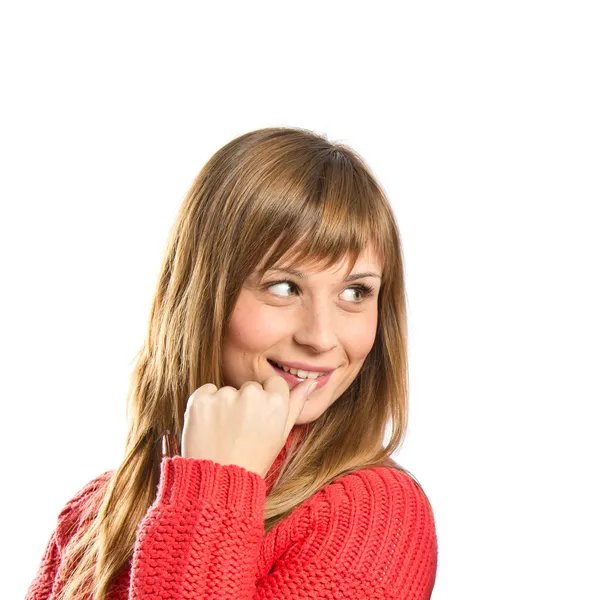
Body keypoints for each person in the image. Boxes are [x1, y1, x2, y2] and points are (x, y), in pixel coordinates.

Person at [25, 126, 438, 600]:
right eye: (284, 287)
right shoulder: (94, 512)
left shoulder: (375, 514)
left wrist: (215, 485)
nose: (321, 337)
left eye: (355, 293)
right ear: (203, 295)